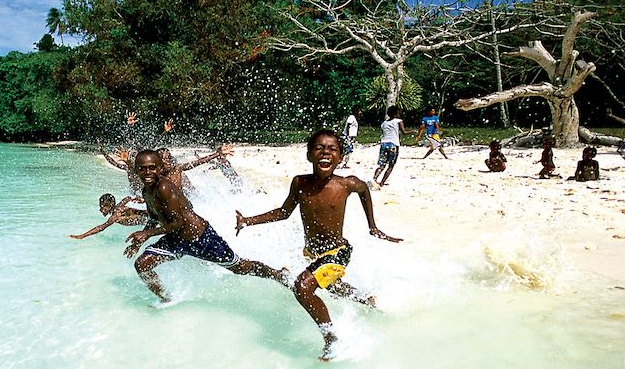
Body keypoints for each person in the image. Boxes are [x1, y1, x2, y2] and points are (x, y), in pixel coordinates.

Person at [235, 130, 403, 361]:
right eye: (320, 148)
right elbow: (284, 212)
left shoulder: (346, 184)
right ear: (309, 155)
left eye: (332, 149)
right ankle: (365, 298)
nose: (326, 152)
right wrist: (248, 221)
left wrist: (372, 226)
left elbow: (364, 189)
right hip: (313, 253)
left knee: (303, 287)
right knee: (330, 286)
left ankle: (332, 337)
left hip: (338, 252)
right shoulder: (300, 182)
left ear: (341, 157)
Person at [123, 150, 290, 305]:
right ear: (136, 170)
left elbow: (178, 223)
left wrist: (147, 234)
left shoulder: (164, 187)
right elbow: (154, 217)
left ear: (160, 168)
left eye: (152, 168)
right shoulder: (147, 191)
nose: (147, 173)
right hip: (176, 240)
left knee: (239, 267)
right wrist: (139, 241)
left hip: (202, 238)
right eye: (142, 169)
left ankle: (277, 274)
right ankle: (166, 299)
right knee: (142, 265)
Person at [156, 145, 234, 195]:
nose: (169, 161)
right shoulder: (154, 176)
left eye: (169, 158)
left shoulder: (177, 169)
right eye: (165, 159)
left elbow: (197, 162)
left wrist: (217, 154)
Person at [69, 194, 149, 240]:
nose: (100, 209)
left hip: (151, 218)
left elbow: (101, 227)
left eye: (102, 206)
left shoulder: (116, 215)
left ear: (109, 205)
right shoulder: (119, 206)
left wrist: (82, 236)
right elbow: (127, 198)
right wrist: (140, 199)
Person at [373, 106, 415, 187]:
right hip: (393, 144)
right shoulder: (398, 121)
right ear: (396, 113)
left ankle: (374, 179)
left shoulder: (384, 123)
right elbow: (404, 132)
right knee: (391, 166)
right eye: (399, 112)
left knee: (382, 165)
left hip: (384, 144)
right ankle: (382, 182)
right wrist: (414, 131)